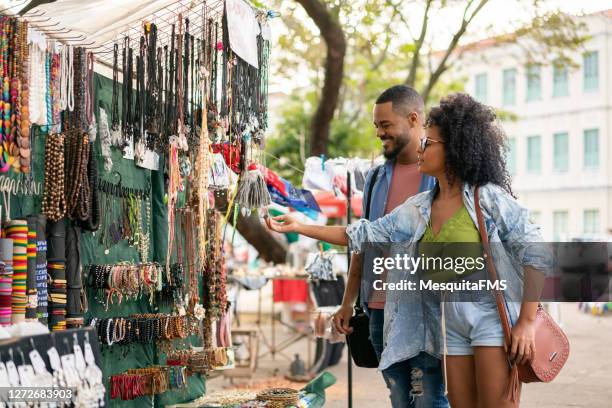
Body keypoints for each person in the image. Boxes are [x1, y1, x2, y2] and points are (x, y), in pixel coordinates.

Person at [267, 93, 549, 407]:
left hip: (491, 319)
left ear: (453, 149)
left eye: (429, 143)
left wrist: (525, 322)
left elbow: (536, 251)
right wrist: (299, 225)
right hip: (450, 322)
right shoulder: (420, 208)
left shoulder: (487, 198)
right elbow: (366, 233)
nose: (421, 149)